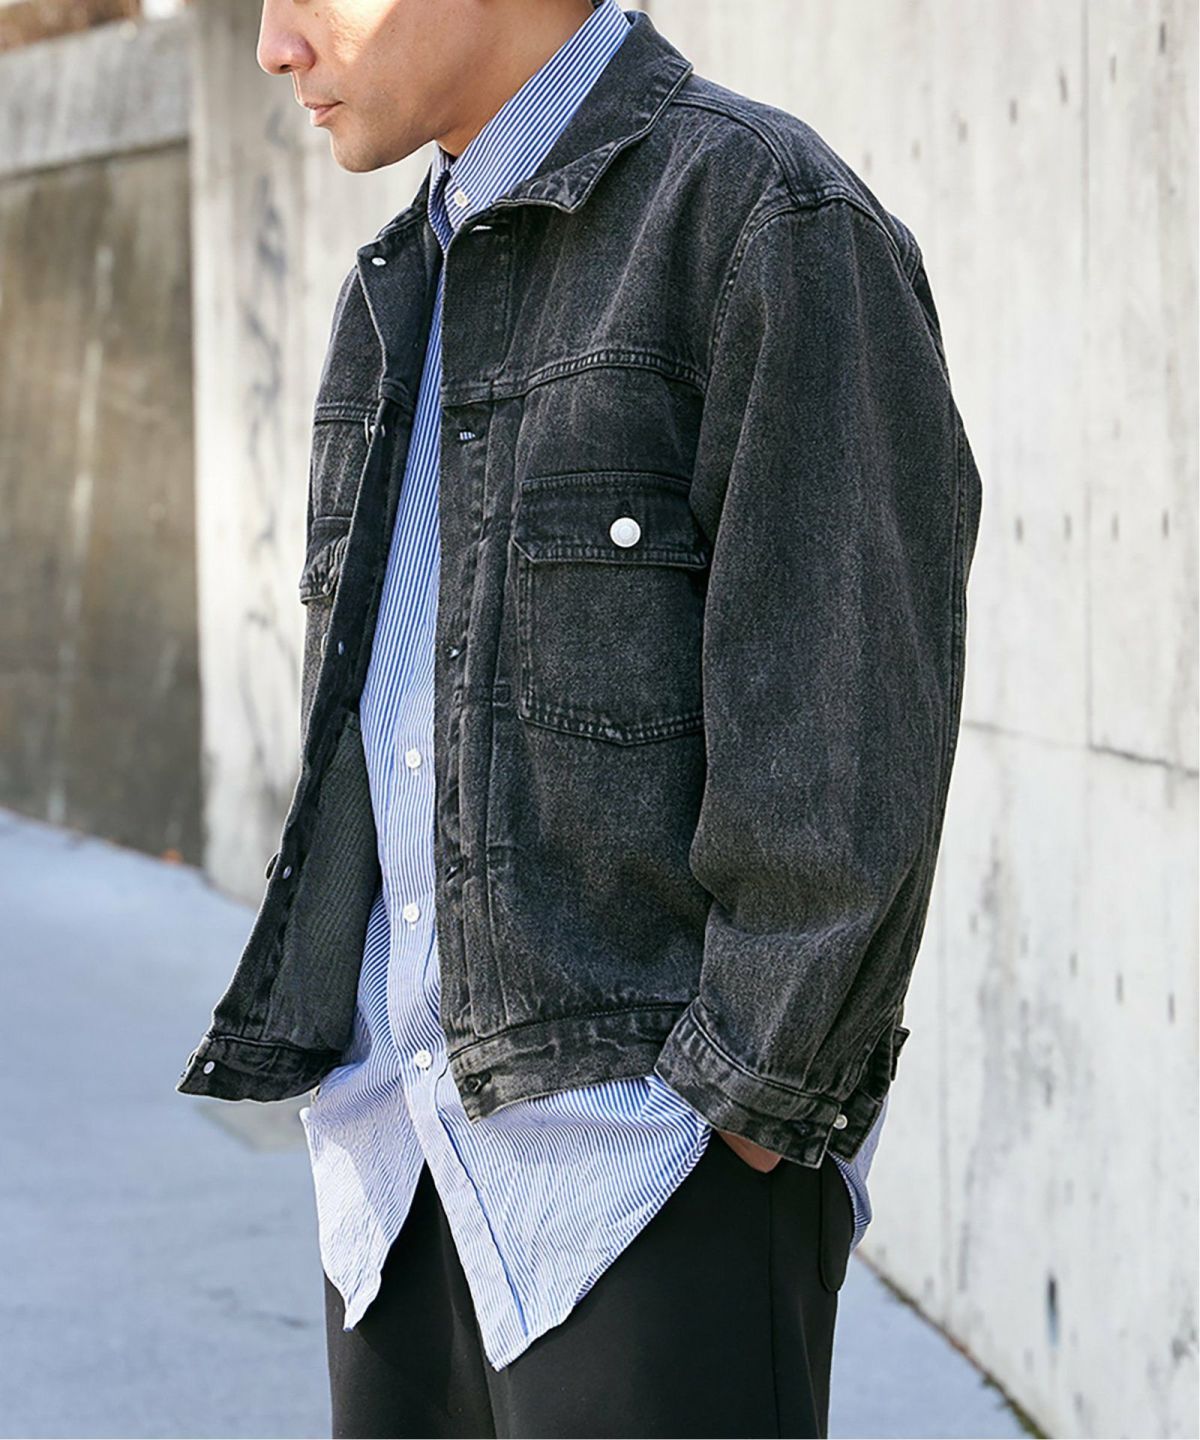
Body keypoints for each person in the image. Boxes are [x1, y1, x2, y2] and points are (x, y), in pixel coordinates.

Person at [178, 1, 983, 1436]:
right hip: (394, 1176)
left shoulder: (763, 223)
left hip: (644, 1187)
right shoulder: (395, 282)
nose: (274, 45)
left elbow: (851, 731)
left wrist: (739, 1119)